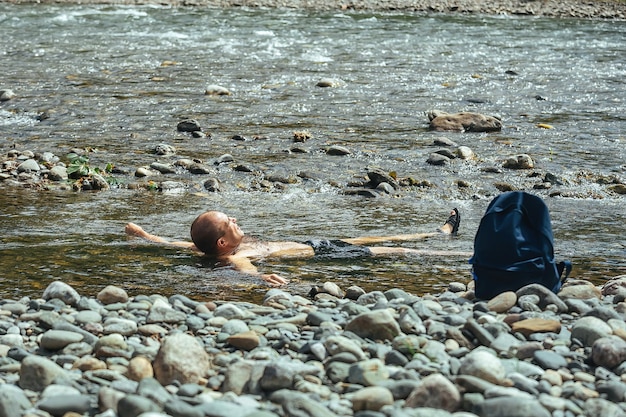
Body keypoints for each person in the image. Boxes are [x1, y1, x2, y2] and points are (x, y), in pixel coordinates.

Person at [125, 208, 462, 286]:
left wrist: (143, 236)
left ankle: (437, 233)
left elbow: (173, 242)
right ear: (224, 243)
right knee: (393, 253)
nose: (237, 220)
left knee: (368, 238)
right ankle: (466, 256)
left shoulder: (203, 249)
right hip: (326, 254)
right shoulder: (237, 257)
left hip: (312, 242)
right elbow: (246, 269)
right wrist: (262, 278)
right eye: (232, 223)